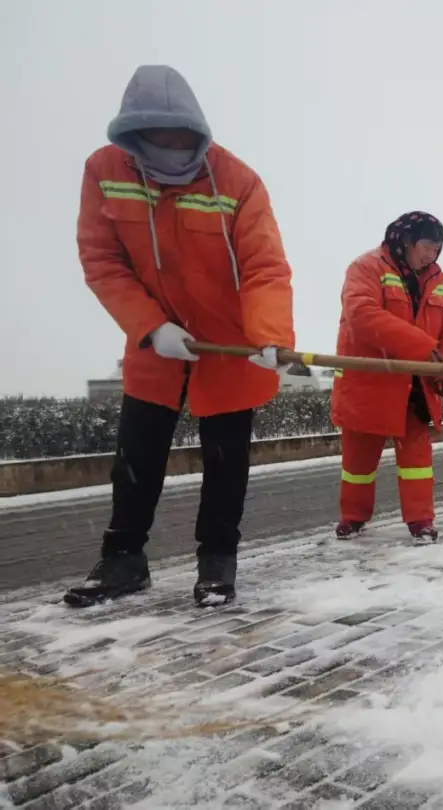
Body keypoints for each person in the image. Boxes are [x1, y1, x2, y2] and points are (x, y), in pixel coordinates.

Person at [69, 65, 295, 608]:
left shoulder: (237, 182)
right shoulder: (104, 172)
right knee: (137, 456)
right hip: (155, 347)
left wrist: (268, 335)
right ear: (135, 137)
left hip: (231, 346)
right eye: (161, 142)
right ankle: (123, 559)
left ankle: (217, 559)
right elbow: (102, 261)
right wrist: (150, 328)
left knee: (225, 462)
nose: (175, 152)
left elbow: (264, 267)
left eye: (184, 141)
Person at [331, 212, 443, 544]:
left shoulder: (440, 282)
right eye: (426, 246)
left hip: (417, 388)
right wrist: (423, 348)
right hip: (370, 384)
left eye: (437, 249)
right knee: (358, 462)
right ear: (405, 241)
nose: (431, 255)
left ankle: (422, 521)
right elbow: (362, 316)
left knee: (418, 461)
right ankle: (353, 517)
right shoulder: (366, 268)